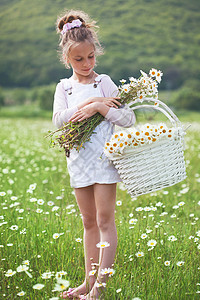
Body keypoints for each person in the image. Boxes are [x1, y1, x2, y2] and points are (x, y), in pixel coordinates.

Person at [53, 9, 136, 300]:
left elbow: (128, 119)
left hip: (104, 162)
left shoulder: (105, 82)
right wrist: (91, 104)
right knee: (88, 223)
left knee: (104, 221)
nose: (87, 64)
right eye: (79, 59)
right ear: (67, 59)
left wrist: (101, 107)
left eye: (91, 57)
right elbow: (58, 120)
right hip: (78, 163)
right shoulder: (64, 87)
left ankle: (99, 289)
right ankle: (86, 283)